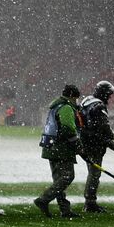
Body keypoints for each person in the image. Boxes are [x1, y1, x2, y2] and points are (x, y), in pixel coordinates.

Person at [35, 84, 83, 218]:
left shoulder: (55, 106)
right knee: (67, 177)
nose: (77, 101)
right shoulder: (66, 107)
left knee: (59, 180)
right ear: (73, 96)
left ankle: (65, 210)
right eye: (76, 98)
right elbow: (68, 128)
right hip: (61, 148)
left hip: (50, 146)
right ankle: (43, 200)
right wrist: (77, 145)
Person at [77, 81, 114, 214]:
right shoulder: (99, 106)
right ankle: (90, 203)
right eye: (109, 94)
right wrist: (111, 136)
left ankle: (89, 201)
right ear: (104, 93)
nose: (109, 97)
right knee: (94, 174)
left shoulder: (87, 101)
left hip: (84, 141)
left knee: (93, 172)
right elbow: (104, 125)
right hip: (95, 143)